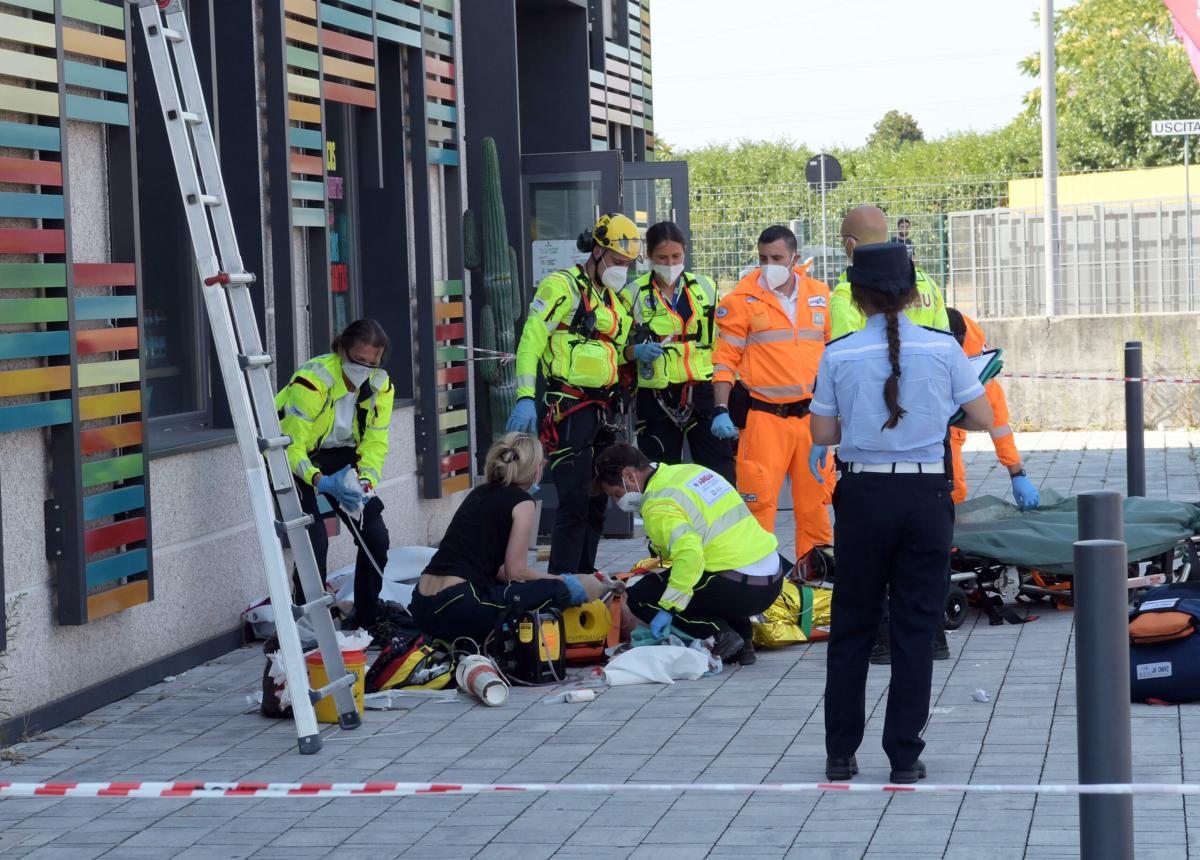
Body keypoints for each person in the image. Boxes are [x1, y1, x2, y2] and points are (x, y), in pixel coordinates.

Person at [809, 242, 993, 784]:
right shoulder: (942, 347)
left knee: (853, 626)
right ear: (914, 292)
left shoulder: (838, 352)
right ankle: (904, 756)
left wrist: (863, 423)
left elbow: (822, 433)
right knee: (916, 627)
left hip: (863, 496)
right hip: (925, 496)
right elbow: (981, 416)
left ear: (857, 296)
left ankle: (841, 753)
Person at [506, 213, 636, 576]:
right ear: (596, 250)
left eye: (627, 264)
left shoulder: (616, 301)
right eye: (616, 261)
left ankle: (586, 582)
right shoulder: (560, 287)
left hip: (605, 410)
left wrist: (635, 355)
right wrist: (525, 396)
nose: (621, 270)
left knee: (598, 502)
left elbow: (620, 349)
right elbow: (531, 341)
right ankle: (562, 590)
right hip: (568, 408)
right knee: (575, 501)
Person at [710, 224, 835, 564]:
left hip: (813, 420)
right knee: (758, 508)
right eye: (763, 258)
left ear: (795, 257)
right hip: (765, 419)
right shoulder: (740, 301)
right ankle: (758, 586)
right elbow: (725, 361)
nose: (769, 265)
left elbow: (833, 356)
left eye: (777, 258)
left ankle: (817, 584)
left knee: (816, 508)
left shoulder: (820, 295)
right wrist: (720, 408)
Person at [592, 443, 783, 665]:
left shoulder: (657, 504)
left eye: (616, 494)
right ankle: (744, 643)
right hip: (772, 580)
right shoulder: (690, 472)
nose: (618, 502)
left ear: (629, 475)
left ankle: (722, 635)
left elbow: (690, 556)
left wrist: (668, 607)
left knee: (640, 597)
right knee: (713, 573)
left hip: (739, 588)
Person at [410, 434, 589, 644]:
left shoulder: (478, 493)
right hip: (455, 604)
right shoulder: (523, 503)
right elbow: (516, 572)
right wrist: (565, 581)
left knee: (510, 588)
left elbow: (497, 570)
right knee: (557, 591)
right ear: (535, 469)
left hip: (421, 604)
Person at [276, 318, 394, 633]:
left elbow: (375, 442)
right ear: (342, 350)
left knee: (375, 535)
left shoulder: (381, 385)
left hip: (341, 455)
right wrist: (319, 481)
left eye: (373, 363)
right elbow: (291, 447)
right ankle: (310, 620)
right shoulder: (313, 381)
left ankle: (368, 616)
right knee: (313, 538)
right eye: (358, 361)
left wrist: (366, 480)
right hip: (293, 456)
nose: (364, 368)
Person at [625, 221, 735, 485]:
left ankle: (719, 526)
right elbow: (619, 348)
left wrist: (725, 400)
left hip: (703, 391)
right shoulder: (633, 293)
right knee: (661, 477)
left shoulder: (706, 287)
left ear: (685, 252)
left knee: (719, 473)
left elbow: (726, 341)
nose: (670, 262)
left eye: (676, 256)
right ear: (649, 256)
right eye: (662, 257)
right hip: (656, 395)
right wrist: (634, 351)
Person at [945, 308, 1040, 510]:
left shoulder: (972, 346)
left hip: (948, 419)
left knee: (953, 485)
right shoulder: (917, 338)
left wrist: (1016, 472)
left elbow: (995, 414)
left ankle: (947, 535)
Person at [830, 206, 948, 339]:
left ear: (850, 243)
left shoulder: (846, 292)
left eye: (842, 238)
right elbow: (944, 335)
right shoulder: (926, 282)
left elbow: (845, 353)